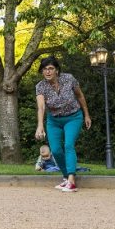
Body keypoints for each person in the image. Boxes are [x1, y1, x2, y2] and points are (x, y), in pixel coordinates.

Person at [34, 56, 91, 192]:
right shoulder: (40, 86)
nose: (47, 72)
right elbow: (41, 107)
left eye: (51, 68)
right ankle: (66, 177)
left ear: (57, 70)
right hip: (54, 121)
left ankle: (71, 180)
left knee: (68, 145)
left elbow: (80, 96)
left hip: (73, 117)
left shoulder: (69, 79)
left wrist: (87, 115)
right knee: (56, 150)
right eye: (45, 69)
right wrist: (40, 126)